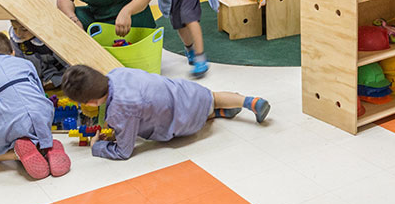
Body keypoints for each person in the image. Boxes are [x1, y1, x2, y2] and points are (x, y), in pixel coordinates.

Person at [62, 65, 270, 161]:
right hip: (186, 91)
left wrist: (97, 146)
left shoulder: (119, 111)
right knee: (212, 97)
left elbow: (124, 151)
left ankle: (216, 114)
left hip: (183, 122)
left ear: (91, 102)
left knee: (189, 115)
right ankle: (249, 101)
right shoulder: (116, 73)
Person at [0, 31, 70, 180]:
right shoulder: (25, 63)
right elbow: (39, 91)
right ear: (12, 52)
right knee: (30, 105)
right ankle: (46, 145)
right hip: (43, 116)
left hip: (11, 125)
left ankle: (16, 154)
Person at [9, 19, 67, 89]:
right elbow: (20, 63)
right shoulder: (15, 39)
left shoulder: (51, 37)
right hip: (35, 76)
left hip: (57, 74)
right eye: (14, 28)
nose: (18, 34)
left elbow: (66, 63)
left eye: (24, 29)